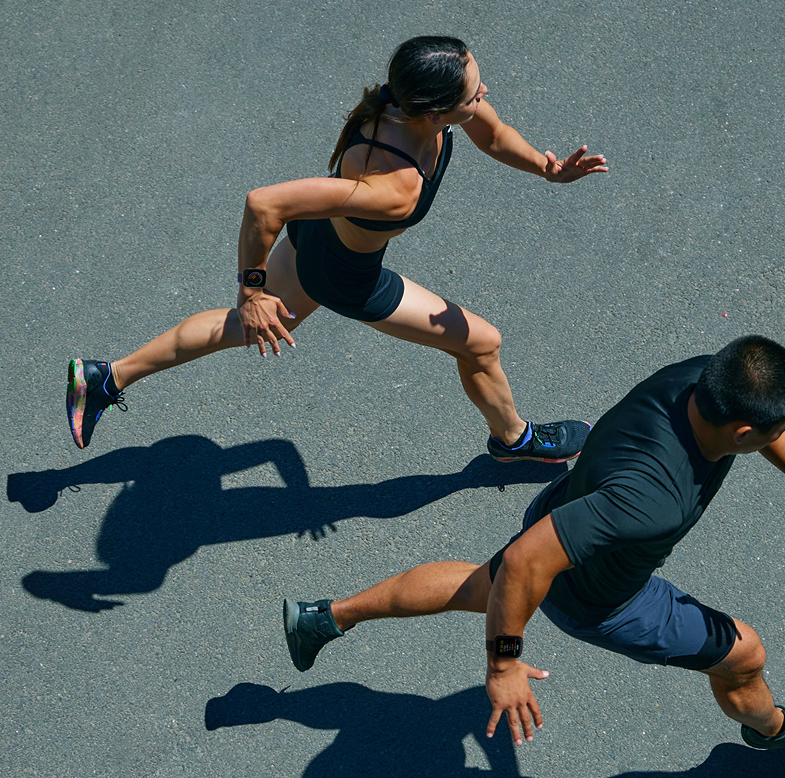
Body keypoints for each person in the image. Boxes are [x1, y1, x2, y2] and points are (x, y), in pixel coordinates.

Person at [279, 336, 785, 757]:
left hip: (562, 510)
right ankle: (772, 731)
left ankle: (323, 619)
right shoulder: (652, 497)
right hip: (603, 597)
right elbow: (526, 562)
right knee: (745, 656)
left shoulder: (704, 377)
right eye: (781, 431)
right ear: (745, 433)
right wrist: (504, 664)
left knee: (480, 587)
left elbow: (769, 416)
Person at [66, 36, 606, 463]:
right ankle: (513, 440)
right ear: (436, 109)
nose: (484, 95)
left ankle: (105, 377)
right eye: (473, 93)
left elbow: (492, 133)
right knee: (483, 344)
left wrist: (547, 168)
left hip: (317, 238)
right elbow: (263, 205)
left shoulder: (404, 102)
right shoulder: (394, 188)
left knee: (248, 326)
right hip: (347, 276)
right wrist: (252, 289)